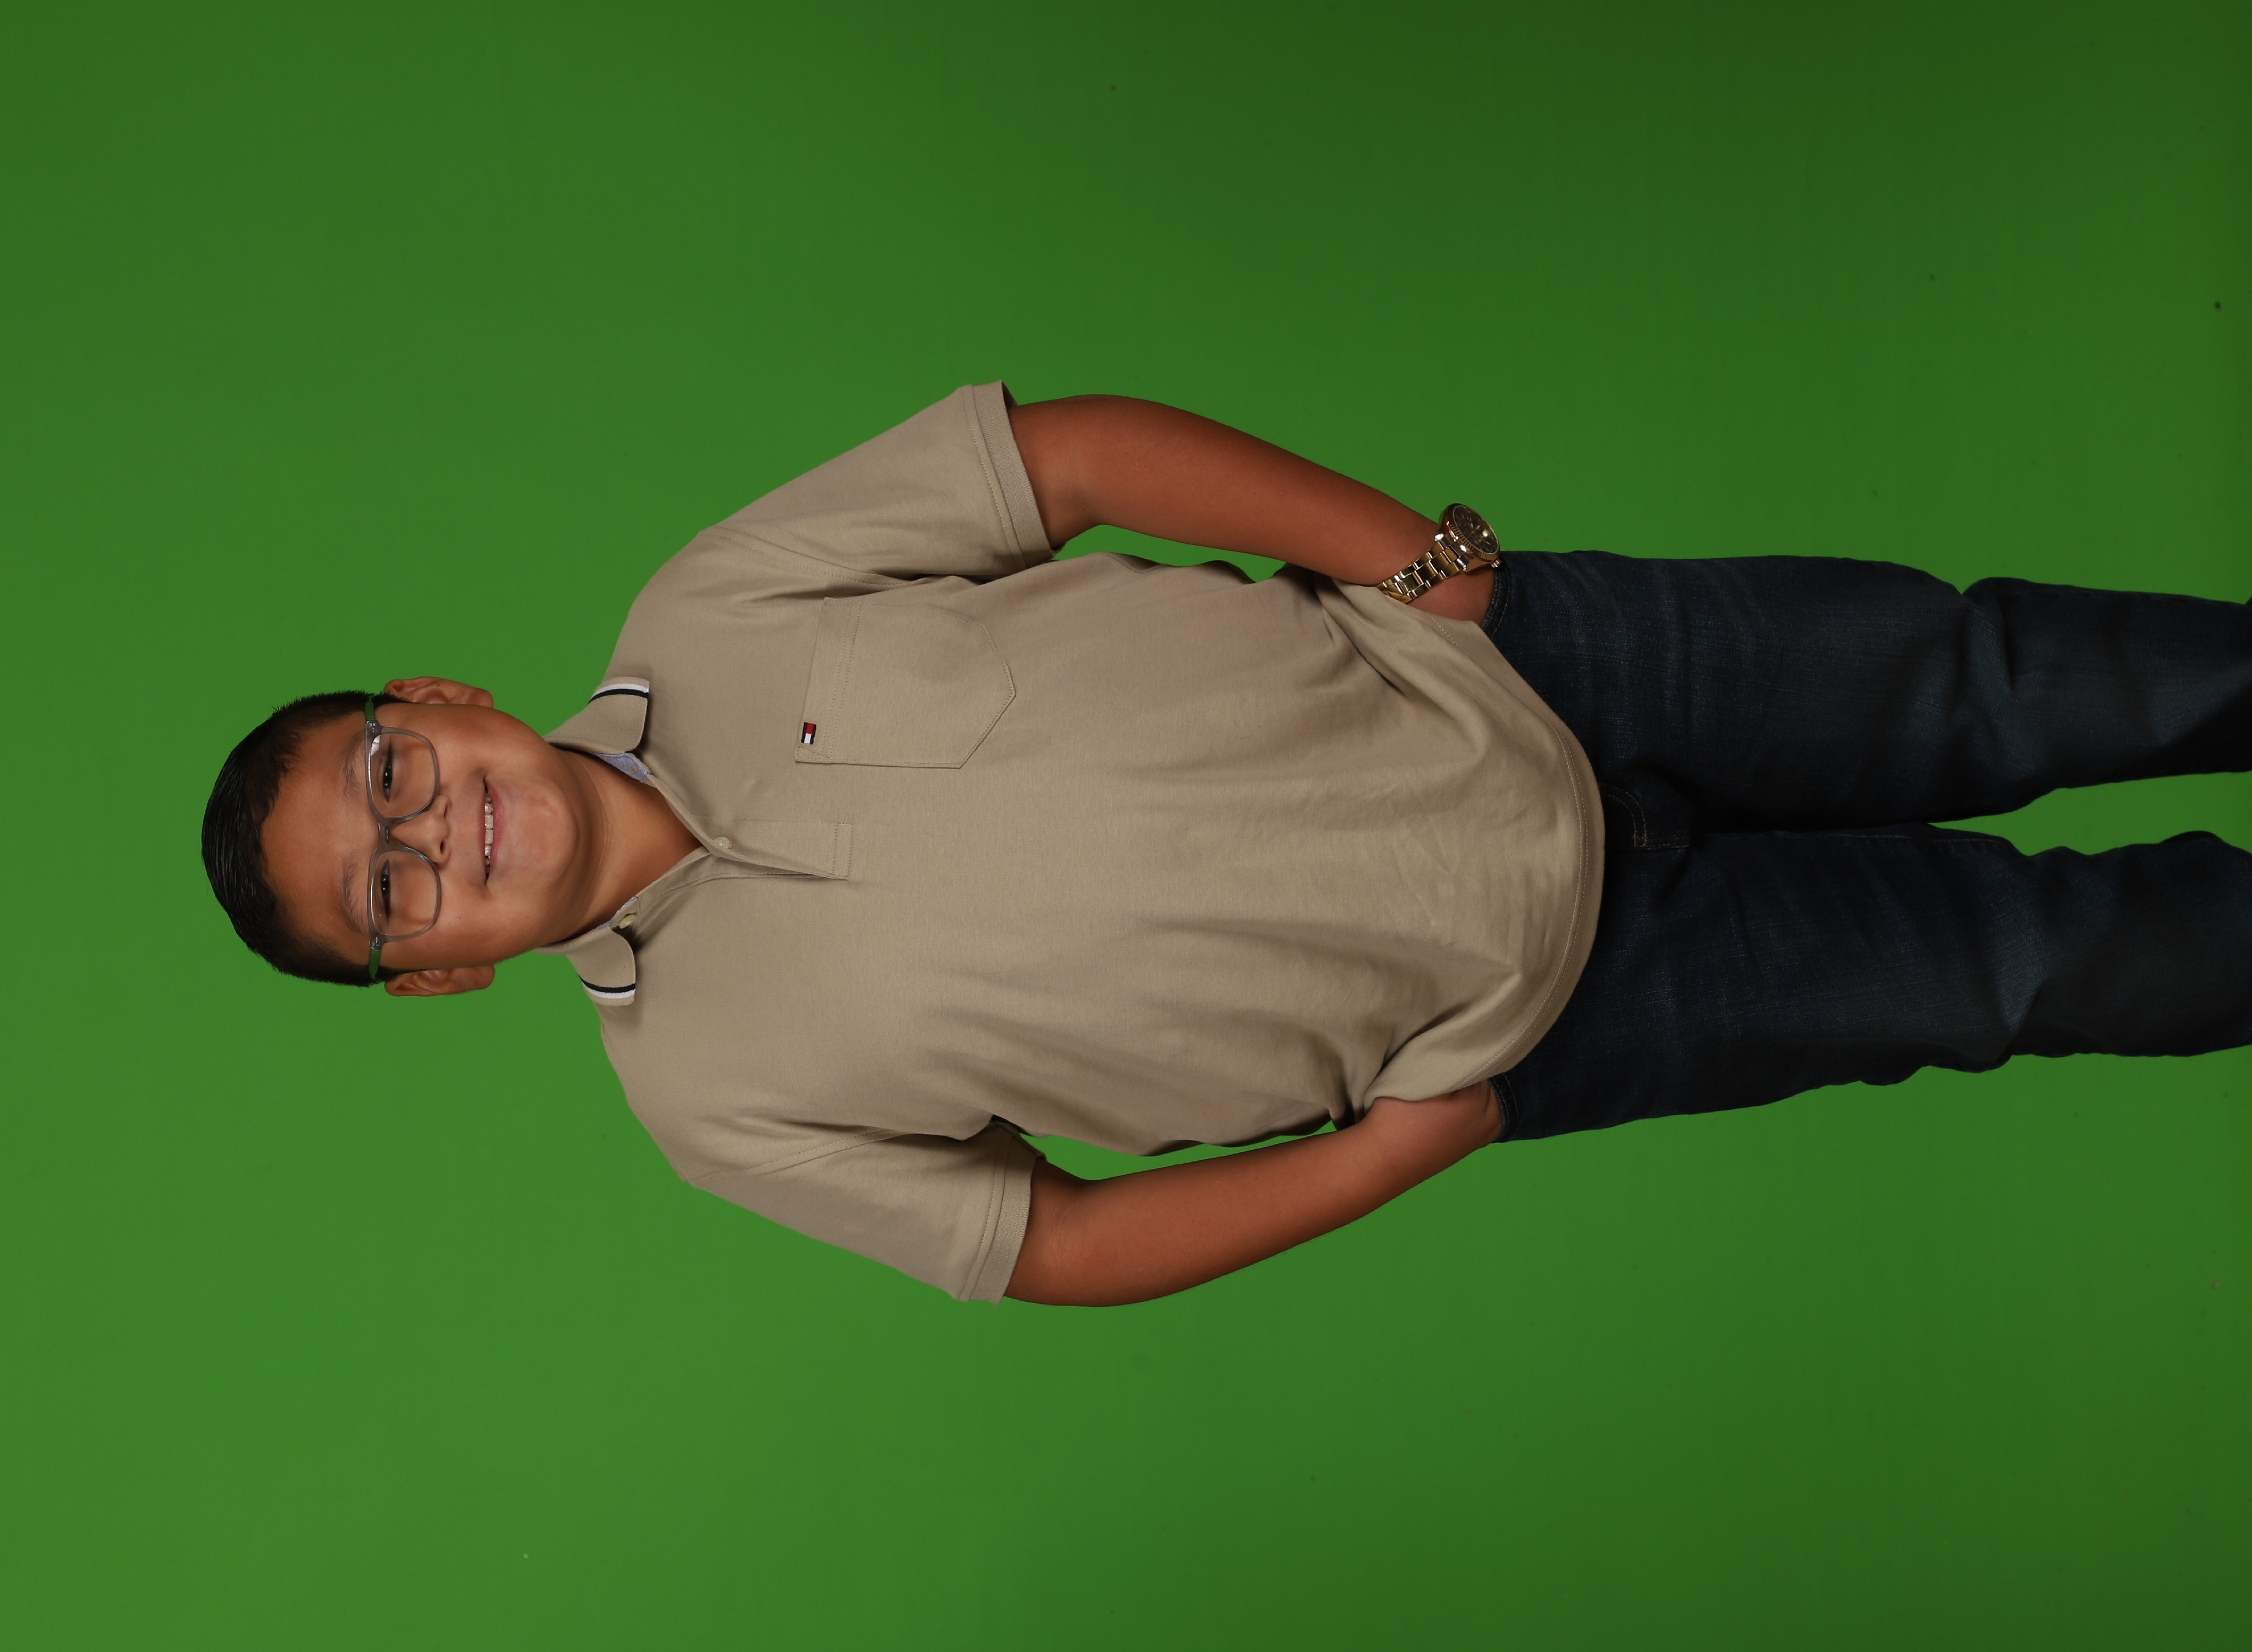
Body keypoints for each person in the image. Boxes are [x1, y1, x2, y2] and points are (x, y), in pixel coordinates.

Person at [201, 384, 2252, 1306]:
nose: (431, 833)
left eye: (389, 770)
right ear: (435, 974)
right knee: (2033, 970)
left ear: (439, 697)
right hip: (1549, 1009)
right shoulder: (707, 1108)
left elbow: (1068, 458)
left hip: (1541, 671)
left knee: (1998, 677)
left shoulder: (713, 601)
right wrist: (1397, 1153)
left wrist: (1428, 570)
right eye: (389, 895)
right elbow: (1056, 1249)